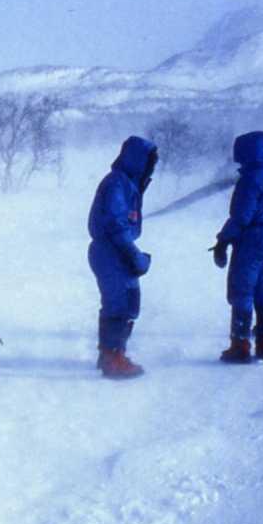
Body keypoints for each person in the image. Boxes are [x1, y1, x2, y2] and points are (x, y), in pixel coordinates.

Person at [211, 131, 263, 362]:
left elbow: (241, 216)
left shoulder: (251, 179)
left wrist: (222, 240)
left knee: (242, 289)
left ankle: (240, 345)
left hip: (252, 237)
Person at [87, 136, 157, 379]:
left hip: (118, 248)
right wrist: (132, 253)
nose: (150, 166)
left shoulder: (128, 183)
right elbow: (116, 223)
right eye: (147, 160)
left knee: (128, 303)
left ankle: (115, 352)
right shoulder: (117, 183)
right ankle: (111, 357)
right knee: (117, 303)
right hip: (110, 250)